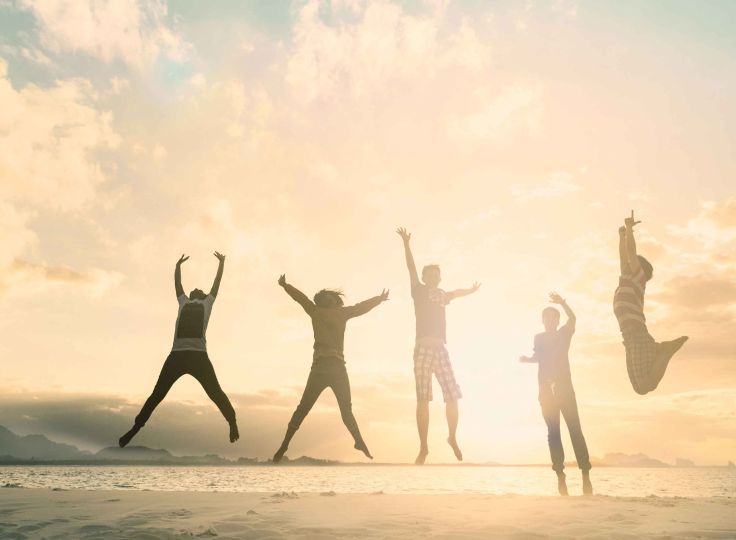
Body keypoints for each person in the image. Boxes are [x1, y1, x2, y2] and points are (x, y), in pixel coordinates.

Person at [119, 253, 239, 447]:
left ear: (201, 295)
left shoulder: (207, 303)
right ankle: (135, 428)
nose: (197, 288)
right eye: (195, 288)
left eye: (199, 288)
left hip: (199, 356)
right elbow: (177, 285)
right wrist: (177, 267)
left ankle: (232, 422)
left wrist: (222, 263)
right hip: (177, 355)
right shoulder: (183, 301)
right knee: (157, 394)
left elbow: (217, 283)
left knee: (215, 392)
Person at [272, 274, 389, 463]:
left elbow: (361, 307)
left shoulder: (340, 313)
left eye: (330, 297)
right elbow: (301, 298)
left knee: (345, 411)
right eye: (324, 298)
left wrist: (378, 299)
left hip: (336, 369)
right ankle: (284, 444)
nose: (329, 300)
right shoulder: (315, 311)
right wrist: (286, 286)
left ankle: (359, 441)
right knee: (303, 408)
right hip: (320, 368)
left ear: (335, 300)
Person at [396, 227, 480, 465]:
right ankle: (423, 447)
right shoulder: (419, 291)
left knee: (452, 395)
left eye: (436, 275)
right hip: (422, 349)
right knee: (423, 398)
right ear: (424, 278)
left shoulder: (443, 294)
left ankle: (452, 437)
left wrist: (471, 290)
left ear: (439, 278)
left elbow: (457, 292)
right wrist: (406, 244)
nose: (433, 278)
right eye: (429, 275)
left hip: (441, 350)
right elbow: (410, 268)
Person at [520, 292, 592, 496]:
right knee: (553, 434)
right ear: (542, 321)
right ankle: (560, 477)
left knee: (575, 431)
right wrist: (527, 360)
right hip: (545, 392)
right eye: (546, 318)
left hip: (565, 390)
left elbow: (574, 318)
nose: (549, 321)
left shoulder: (564, 334)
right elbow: (538, 357)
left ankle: (586, 475)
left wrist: (562, 303)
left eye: (553, 317)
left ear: (558, 320)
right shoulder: (539, 338)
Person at [615, 211, 688, 395]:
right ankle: (658, 350)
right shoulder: (626, 276)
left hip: (636, 333)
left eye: (634, 263)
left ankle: (664, 351)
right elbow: (623, 256)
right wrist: (622, 236)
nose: (629, 264)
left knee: (645, 386)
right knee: (638, 387)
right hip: (629, 337)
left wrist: (630, 231)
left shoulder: (638, 278)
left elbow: (631, 253)